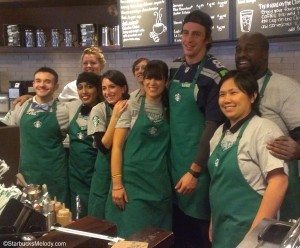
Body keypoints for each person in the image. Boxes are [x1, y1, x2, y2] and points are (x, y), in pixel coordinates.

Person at [208, 70, 288, 247]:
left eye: (234, 93)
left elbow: (279, 182)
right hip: (223, 229)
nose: (227, 99)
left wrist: (254, 236)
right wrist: (214, 221)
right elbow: (218, 183)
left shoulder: (264, 129)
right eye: (222, 94)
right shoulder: (219, 133)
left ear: (252, 96)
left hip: (249, 233)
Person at [168, 10, 227, 248]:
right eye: (185, 33)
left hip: (198, 170)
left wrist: (194, 171)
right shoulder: (177, 69)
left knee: (200, 234)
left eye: (196, 35)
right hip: (174, 164)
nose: (188, 39)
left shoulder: (216, 73)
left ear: (207, 39)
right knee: (179, 232)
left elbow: (213, 126)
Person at [235, 32, 300, 220]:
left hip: (278, 180)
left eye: (249, 49)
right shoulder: (234, 87)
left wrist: (298, 149)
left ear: (265, 53)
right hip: (244, 182)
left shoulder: (285, 87)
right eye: (238, 50)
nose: (242, 54)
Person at [105, 60, 172, 238]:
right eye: (149, 78)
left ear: (166, 82)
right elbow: (117, 147)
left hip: (159, 186)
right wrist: (117, 184)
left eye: (158, 79)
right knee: (133, 238)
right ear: (142, 80)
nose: (152, 83)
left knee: (158, 239)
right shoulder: (130, 105)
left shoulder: (170, 107)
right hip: (132, 186)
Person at [2, 67, 69, 203]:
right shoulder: (21, 106)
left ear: (56, 86)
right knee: (28, 217)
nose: (42, 85)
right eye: (38, 81)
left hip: (54, 175)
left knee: (56, 214)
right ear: (33, 84)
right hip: (26, 174)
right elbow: (6, 131)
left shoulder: (64, 111)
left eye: (47, 82)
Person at [87, 70, 129, 219]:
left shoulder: (132, 105)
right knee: (100, 216)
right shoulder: (98, 110)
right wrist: (116, 116)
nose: (107, 92)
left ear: (123, 88)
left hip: (128, 166)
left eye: (112, 87)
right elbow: (103, 146)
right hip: (105, 169)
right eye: (104, 88)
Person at [67, 72, 102, 218]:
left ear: (98, 89)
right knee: (78, 218)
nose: (84, 91)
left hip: (96, 175)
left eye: (89, 87)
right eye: (80, 87)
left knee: (96, 218)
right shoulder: (73, 108)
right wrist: (28, 98)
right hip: (76, 176)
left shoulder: (105, 110)